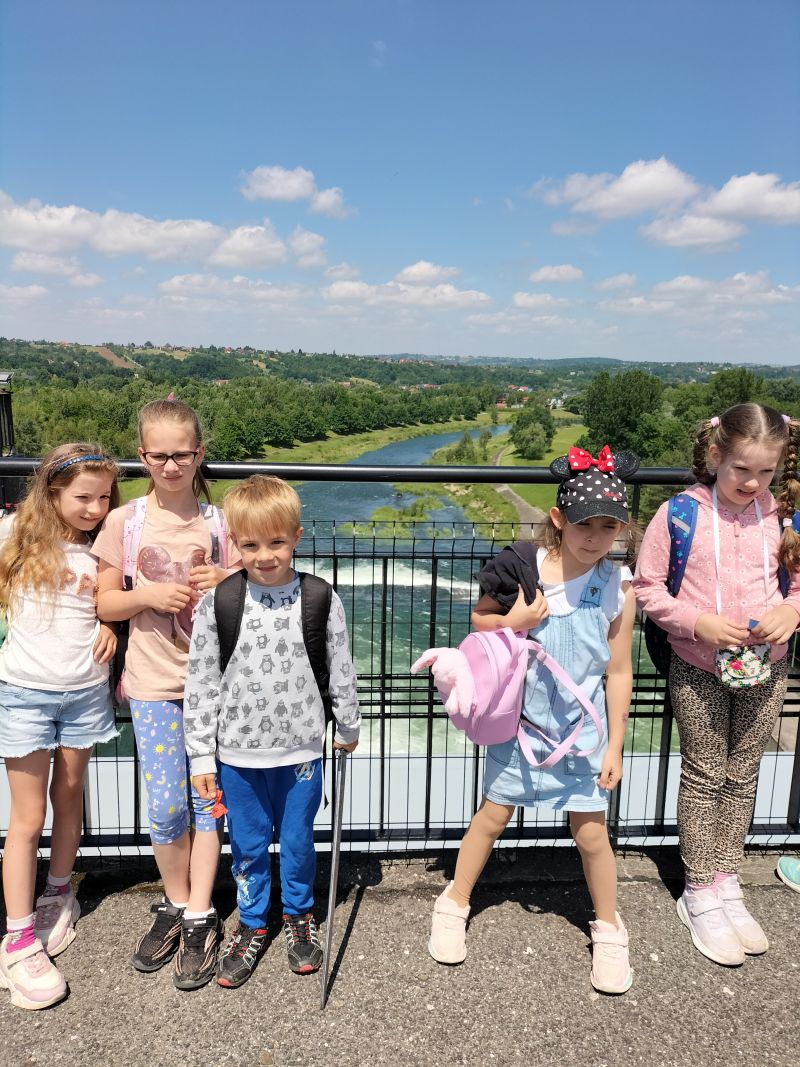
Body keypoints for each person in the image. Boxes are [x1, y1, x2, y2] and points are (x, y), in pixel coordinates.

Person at [428, 446, 638, 995]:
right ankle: (454, 901)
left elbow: (619, 671)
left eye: (608, 527)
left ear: (621, 529)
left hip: (583, 733)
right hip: (521, 725)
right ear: (558, 518)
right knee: (492, 816)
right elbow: (480, 620)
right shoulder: (526, 568)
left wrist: (615, 745)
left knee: (592, 833)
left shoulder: (618, 586)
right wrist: (515, 620)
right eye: (584, 524)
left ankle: (610, 927)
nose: (595, 538)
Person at [633, 404, 800, 966]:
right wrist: (696, 622)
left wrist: (792, 611)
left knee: (743, 772)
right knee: (705, 773)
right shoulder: (678, 514)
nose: (752, 483)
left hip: (767, 665)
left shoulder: (785, 514)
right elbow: (648, 587)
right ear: (714, 456)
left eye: (765, 472)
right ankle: (699, 888)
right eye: (741, 470)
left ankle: (728, 878)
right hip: (698, 663)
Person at [183, 474, 360, 989]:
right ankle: (253, 921)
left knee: (299, 841)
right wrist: (200, 756)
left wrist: (348, 724)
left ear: (297, 537)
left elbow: (341, 668)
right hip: (236, 756)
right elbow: (201, 683)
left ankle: (299, 915)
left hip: (302, 750)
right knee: (248, 844)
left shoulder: (320, 597)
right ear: (234, 543)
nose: (264, 556)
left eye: (277, 542)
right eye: (250, 545)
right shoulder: (218, 602)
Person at [94, 398, 240, 990]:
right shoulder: (124, 524)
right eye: (160, 456)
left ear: (199, 454)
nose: (172, 465)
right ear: (143, 456)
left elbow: (259, 587)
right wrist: (147, 596)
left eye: (183, 454)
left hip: (215, 688)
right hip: (152, 683)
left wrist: (227, 578)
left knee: (208, 802)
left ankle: (200, 911)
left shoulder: (221, 524)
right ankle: (176, 901)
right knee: (165, 806)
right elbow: (105, 602)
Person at [0, 444, 121, 1010]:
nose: (95, 508)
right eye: (83, 497)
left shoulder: (103, 548)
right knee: (27, 818)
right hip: (24, 693)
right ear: (52, 493)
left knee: (69, 799)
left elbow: (114, 602)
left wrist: (111, 628)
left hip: (85, 693)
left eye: (105, 497)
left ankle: (57, 893)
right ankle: (18, 937)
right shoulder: (15, 537)